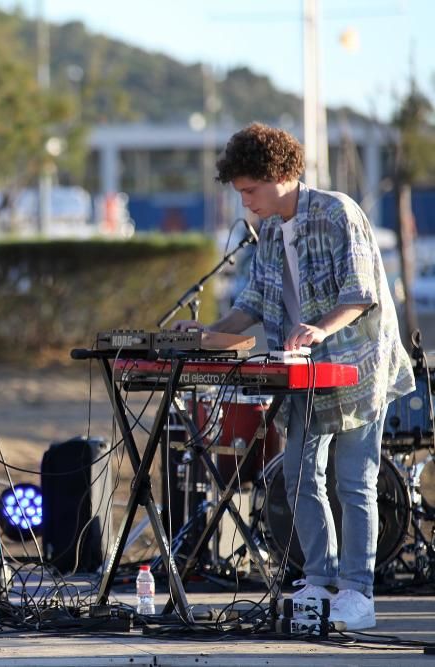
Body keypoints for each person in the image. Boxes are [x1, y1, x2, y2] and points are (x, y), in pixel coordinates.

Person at [174, 123, 414, 630]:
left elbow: (361, 292)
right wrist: (205, 334)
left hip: (356, 369)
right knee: (299, 475)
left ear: (279, 174)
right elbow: (251, 307)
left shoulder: (337, 212)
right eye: (240, 192)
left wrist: (316, 330)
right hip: (304, 377)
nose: (246, 202)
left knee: (355, 483)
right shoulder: (268, 235)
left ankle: (358, 592)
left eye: (250, 190)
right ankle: (321, 581)